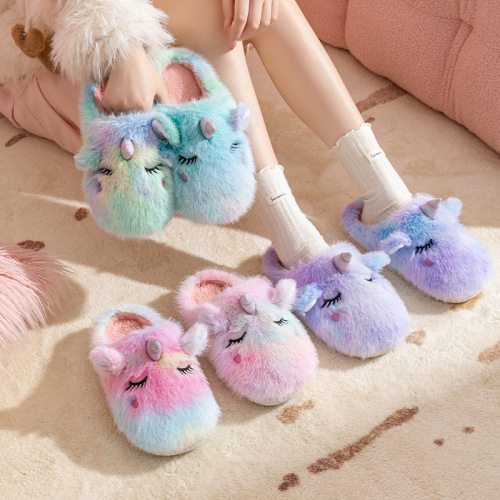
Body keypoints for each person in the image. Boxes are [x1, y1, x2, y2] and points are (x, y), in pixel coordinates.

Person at [0, 0, 492, 308]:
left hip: (146, 17)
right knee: (220, 18)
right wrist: (118, 45)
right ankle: (293, 239)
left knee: (258, 6)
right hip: (55, 51)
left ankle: (386, 196)